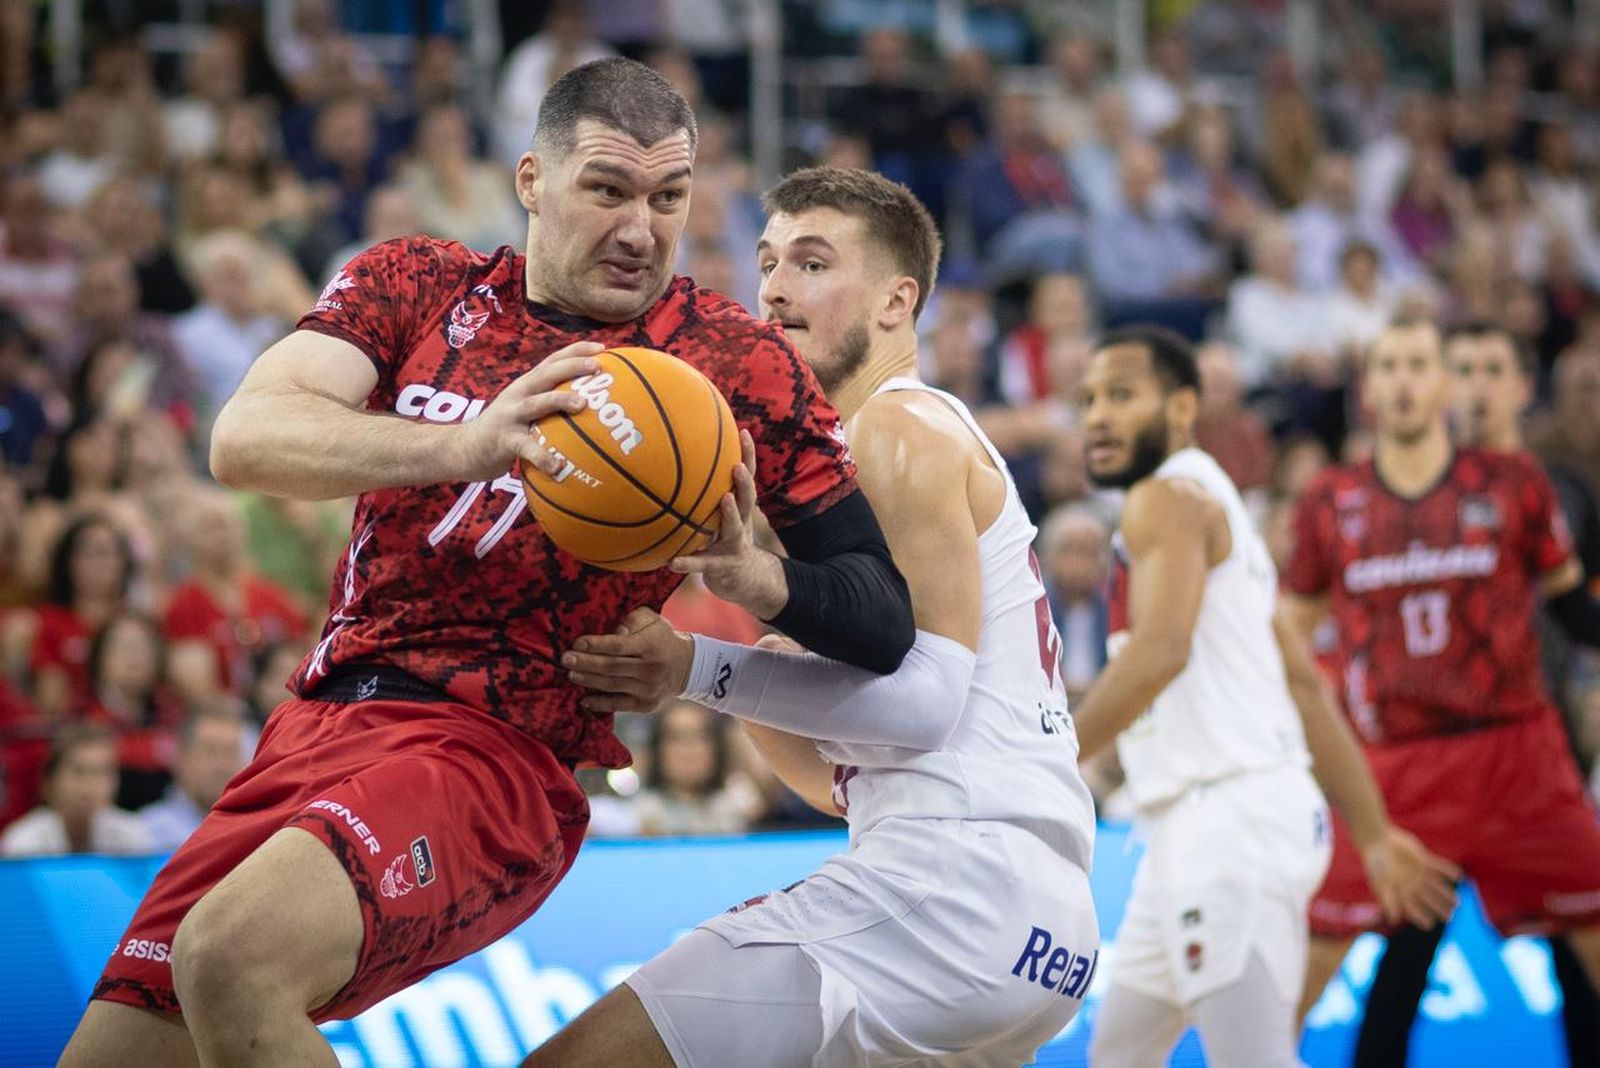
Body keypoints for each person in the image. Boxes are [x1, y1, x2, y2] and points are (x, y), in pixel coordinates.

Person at [61, 59, 913, 1067]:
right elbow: (246, 436)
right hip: (318, 724)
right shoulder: (417, 284)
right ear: (531, 181)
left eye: (668, 197)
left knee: (232, 959)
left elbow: (877, 616)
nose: (640, 227)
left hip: (496, 752)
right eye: (607, 189)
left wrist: (747, 576)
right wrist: (465, 443)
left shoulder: (731, 363)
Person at [526, 167, 1099, 1067]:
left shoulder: (897, 430)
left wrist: (691, 666)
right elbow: (827, 776)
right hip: (1039, 928)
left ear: (895, 301)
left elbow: (923, 708)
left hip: (951, 886)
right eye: (768, 262)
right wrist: (766, 630)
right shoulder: (839, 480)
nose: (775, 288)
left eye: (813, 262)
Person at [1068, 326, 1456, 1068]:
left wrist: (1049, 760)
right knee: (1117, 1057)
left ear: (1182, 408)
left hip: (1228, 825)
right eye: (1088, 399)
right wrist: (1372, 835)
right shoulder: (1220, 506)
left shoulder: (1166, 497)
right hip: (1206, 827)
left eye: (1122, 395)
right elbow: (1303, 683)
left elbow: (1160, 654)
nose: (1098, 416)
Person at [1286, 319, 1600, 1034]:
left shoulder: (1516, 482)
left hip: (1519, 752)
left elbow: (1576, 608)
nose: (1402, 379)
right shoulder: (1329, 500)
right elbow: (1287, 643)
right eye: (1387, 365)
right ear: (1368, 390)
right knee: (1312, 971)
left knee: (1586, 946)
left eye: (1418, 363)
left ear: (1442, 382)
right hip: (1396, 766)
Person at [0, 723, 150, 857]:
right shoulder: (21, 843)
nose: (90, 784)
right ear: (51, 780)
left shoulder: (133, 835)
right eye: (79, 771)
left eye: (101, 772)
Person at [139, 709, 249, 853]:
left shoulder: (257, 830)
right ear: (182, 757)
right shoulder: (144, 832)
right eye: (210, 751)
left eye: (231, 753)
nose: (222, 765)